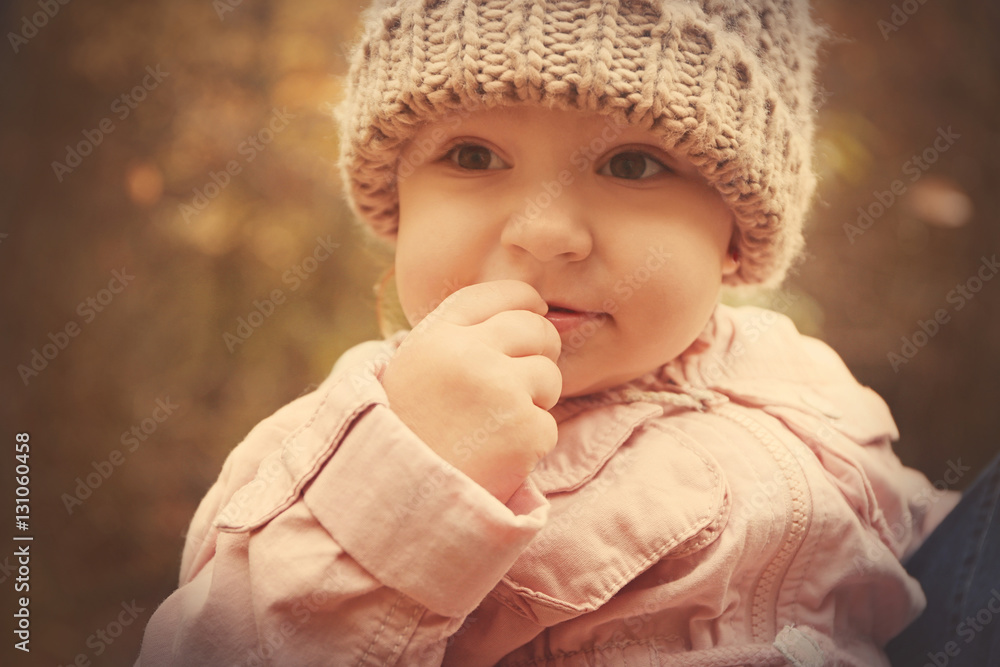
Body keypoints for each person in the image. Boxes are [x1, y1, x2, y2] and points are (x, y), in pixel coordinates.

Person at [135, 0, 994, 664]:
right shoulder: (353, 436)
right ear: (398, 204)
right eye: (473, 156)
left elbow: (925, 554)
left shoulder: (800, 379)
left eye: (633, 164)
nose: (544, 230)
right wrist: (409, 482)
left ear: (735, 230)